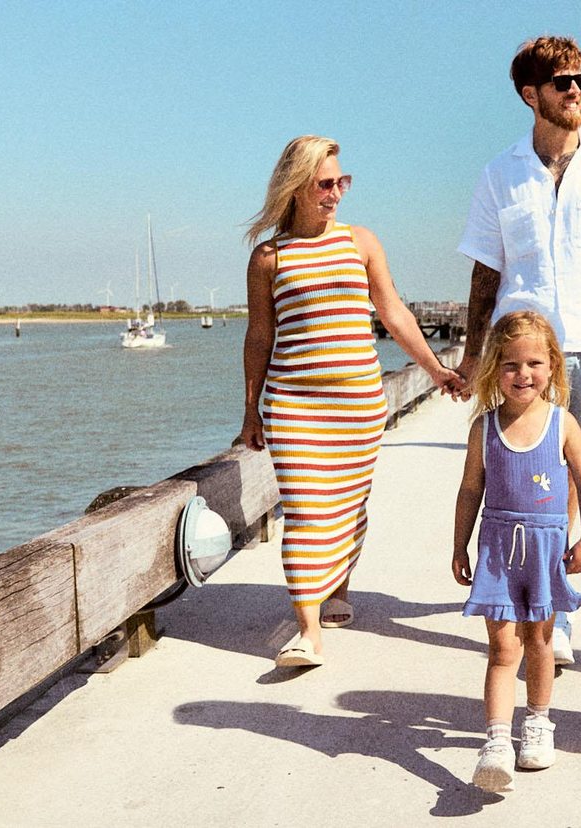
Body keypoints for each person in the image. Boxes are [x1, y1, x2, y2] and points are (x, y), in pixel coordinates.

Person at [456, 35, 581, 665]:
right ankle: (517, 584)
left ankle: (553, 603)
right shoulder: (500, 172)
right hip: (519, 345)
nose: (576, 91)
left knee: (569, 470)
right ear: (531, 95)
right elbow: (487, 271)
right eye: (562, 82)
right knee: (517, 470)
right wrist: (470, 356)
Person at [239, 135, 462, 669]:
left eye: (343, 181)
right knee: (307, 510)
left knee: (347, 503)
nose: (336, 192)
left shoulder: (360, 243)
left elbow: (395, 315)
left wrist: (436, 370)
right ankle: (306, 632)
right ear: (295, 188)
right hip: (293, 403)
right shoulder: (268, 258)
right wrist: (251, 409)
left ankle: (338, 583)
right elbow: (258, 337)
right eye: (325, 184)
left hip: (358, 404)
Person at [452, 311, 581, 792]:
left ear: (553, 366)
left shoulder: (562, 423)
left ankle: (538, 721)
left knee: (539, 642)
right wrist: (459, 545)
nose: (523, 374)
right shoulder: (484, 428)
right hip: (497, 550)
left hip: (545, 550)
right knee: (501, 648)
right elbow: (470, 489)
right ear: (495, 368)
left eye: (535, 362)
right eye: (511, 364)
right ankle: (495, 741)